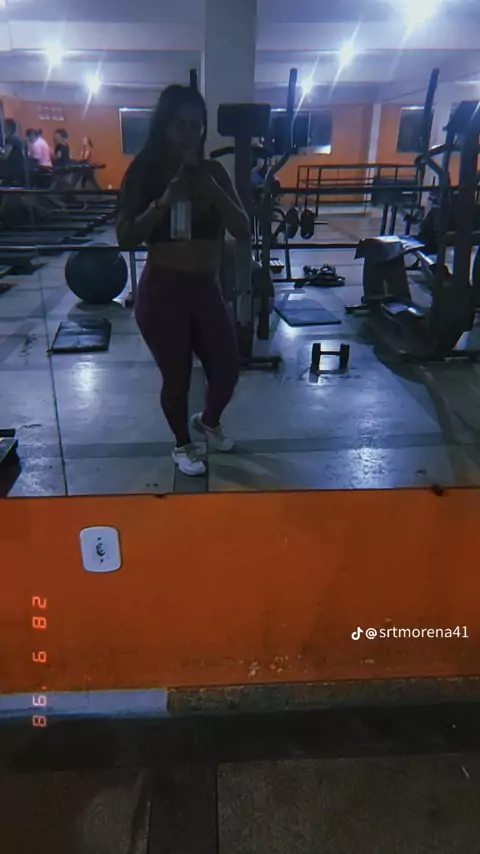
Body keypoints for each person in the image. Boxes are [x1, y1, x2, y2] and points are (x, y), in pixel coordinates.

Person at [116, 85, 250, 477]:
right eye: (179, 124)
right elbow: (125, 238)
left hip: (205, 289)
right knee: (177, 378)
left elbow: (242, 228)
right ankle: (182, 444)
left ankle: (208, 421)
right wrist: (164, 202)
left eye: (196, 125)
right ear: (164, 125)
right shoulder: (144, 172)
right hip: (163, 291)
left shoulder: (214, 172)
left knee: (226, 370)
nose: (188, 133)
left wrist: (209, 187)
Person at [0, 119, 27, 186]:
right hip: (15, 172)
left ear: (9, 128)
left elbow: (5, 155)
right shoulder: (16, 139)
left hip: (14, 173)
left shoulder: (13, 139)